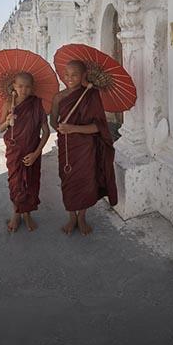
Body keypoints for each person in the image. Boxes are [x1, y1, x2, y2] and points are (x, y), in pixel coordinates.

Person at [51, 60, 117, 236]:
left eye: (74, 75)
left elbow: (99, 127)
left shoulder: (91, 95)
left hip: (86, 147)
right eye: (67, 75)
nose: (70, 78)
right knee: (68, 180)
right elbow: (53, 120)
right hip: (67, 146)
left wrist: (73, 128)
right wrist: (59, 127)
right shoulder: (58, 97)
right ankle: (72, 216)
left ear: (83, 76)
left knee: (86, 181)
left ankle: (82, 216)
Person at [0, 71, 51, 232]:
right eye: (20, 86)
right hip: (15, 151)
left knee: (31, 183)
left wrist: (36, 153)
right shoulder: (8, 105)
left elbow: (46, 132)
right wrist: (7, 121)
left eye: (27, 87)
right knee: (16, 183)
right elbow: (0, 129)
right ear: (14, 86)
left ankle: (27, 214)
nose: (24, 90)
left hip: (32, 151)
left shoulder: (36, 104)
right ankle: (16, 213)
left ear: (32, 88)